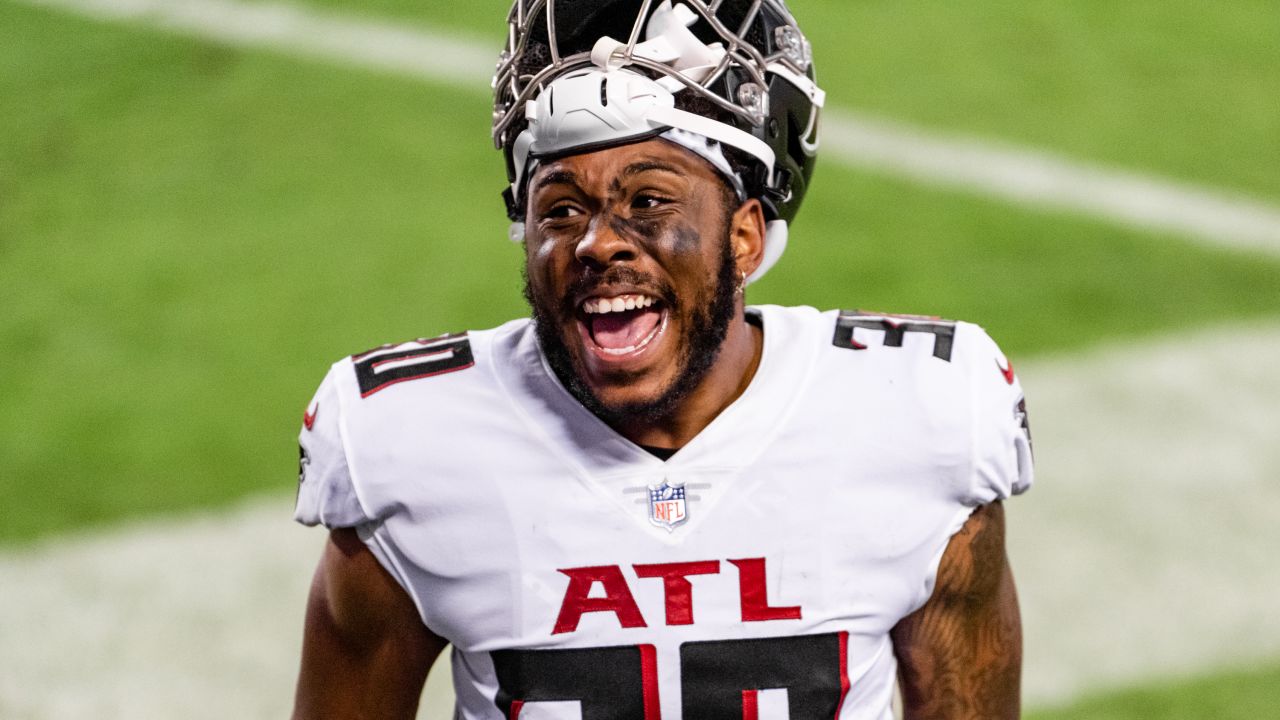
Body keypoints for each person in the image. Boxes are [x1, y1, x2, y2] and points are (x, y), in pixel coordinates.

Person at [291, 1, 1035, 718]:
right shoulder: (410, 447)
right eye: (560, 208)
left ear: (743, 238)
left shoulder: (920, 419)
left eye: (649, 200)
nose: (598, 243)